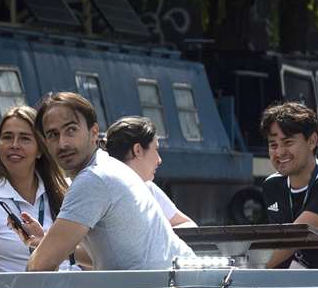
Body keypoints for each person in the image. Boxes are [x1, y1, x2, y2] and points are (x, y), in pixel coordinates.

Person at [21, 92, 191, 272]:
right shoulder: (108, 166)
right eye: (53, 135)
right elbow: (105, 254)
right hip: (174, 287)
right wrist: (46, 243)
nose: (62, 143)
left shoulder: (93, 179)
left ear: (94, 132)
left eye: (71, 129)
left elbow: (39, 266)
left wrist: (45, 252)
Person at [0, 106, 70, 272]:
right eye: (7, 137)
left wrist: (42, 242)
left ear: (40, 150)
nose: (14, 145)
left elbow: (89, 256)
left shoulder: (67, 189)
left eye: (25, 138)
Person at [257, 101, 318, 268]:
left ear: (312, 141)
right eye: (273, 145)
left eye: (288, 142)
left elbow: (294, 238)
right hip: (305, 273)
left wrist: (247, 271)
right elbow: (278, 245)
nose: (279, 152)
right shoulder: (272, 185)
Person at [104, 116, 195, 227]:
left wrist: (161, 235)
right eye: (155, 149)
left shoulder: (148, 188)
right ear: (138, 150)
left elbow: (188, 224)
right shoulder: (105, 192)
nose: (159, 160)